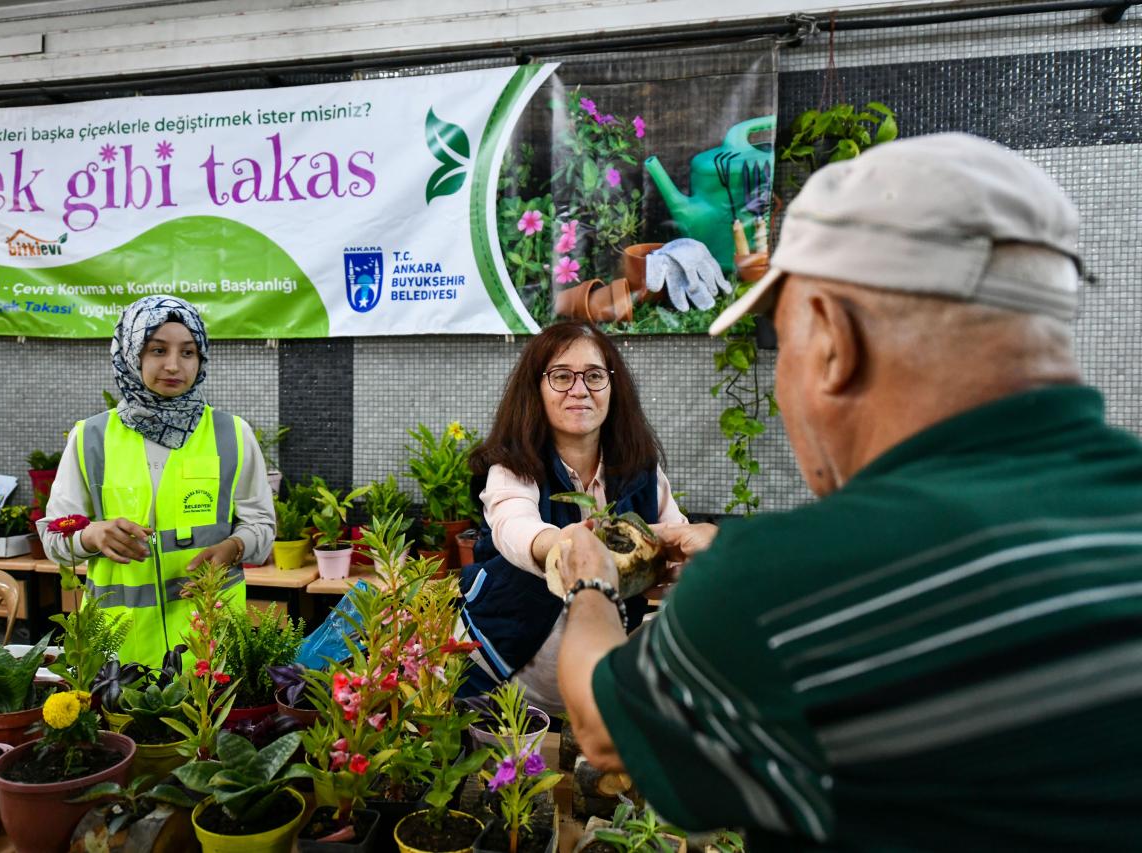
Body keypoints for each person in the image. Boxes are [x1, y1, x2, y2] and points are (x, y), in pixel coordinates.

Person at [555, 133, 1142, 850]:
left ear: (832, 339)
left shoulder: (781, 584)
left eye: (783, 341)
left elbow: (602, 727)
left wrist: (591, 586)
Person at [457, 321, 687, 713]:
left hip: (594, 689)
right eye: (562, 376)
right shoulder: (513, 467)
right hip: (499, 679)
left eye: (594, 376)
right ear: (537, 389)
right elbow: (513, 527)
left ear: (613, 388)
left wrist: (679, 570)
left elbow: (676, 542)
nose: (579, 390)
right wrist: (565, 545)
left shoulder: (641, 472)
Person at [41, 295, 275, 667]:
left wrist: (233, 547)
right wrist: (93, 535)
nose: (173, 365)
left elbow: (261, 526)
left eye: (188, 352)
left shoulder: (232, 434)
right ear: (132, 353)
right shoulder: (91, 438)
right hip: (118, 649)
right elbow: (53, 537)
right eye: (157, 350)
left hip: (211, 643)